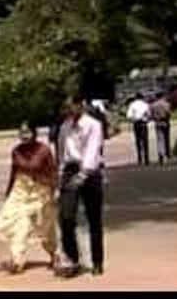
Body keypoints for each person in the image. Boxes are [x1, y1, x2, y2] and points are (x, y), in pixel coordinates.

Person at [0, 123, 58, 274]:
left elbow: (52, 171)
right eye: (21, 132)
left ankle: (54, 253)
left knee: (45, 225)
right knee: (17, 222)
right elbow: (14, 171)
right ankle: (17, 259)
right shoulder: (16, 151)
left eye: (27, 132)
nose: (24, 135)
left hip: (40, 190)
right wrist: (8, 192)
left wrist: (55, 190)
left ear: (34, 133)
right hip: (21, 189)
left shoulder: (43, 150)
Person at [56, 93, 106, 278]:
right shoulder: (65, 127)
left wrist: (83, 174)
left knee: (94, 219)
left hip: (90, 172)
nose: (68, 111)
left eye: (71, 107)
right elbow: (62, 152)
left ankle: (97, 261)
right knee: (66, 217)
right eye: (66, 107)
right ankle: (73, 258)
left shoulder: (93, 125)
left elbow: (92, 151)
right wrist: (61, 175)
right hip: (70, 171)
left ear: (80, 105)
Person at [126, 93, 151, 166]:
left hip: (136, 124)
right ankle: (146, 158)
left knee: (138, 141)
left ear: (135, 98)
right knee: (145, 141)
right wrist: (146, 118)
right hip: (144, 123)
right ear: (142, 97)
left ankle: (140, 158)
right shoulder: (145, 104)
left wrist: (134, 118)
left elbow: (129, 116)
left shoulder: (132, 105)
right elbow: (149, 114)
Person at [149, 92, 172, 164]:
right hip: (165, 121)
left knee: (160, 139)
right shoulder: (166, 104)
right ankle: (167, 154)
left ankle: (161, 154)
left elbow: (151, 115)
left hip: (158, 122)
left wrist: (155, 118)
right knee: (166, 138)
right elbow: (169, 113)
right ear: (162, 96)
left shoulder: (153, 105)